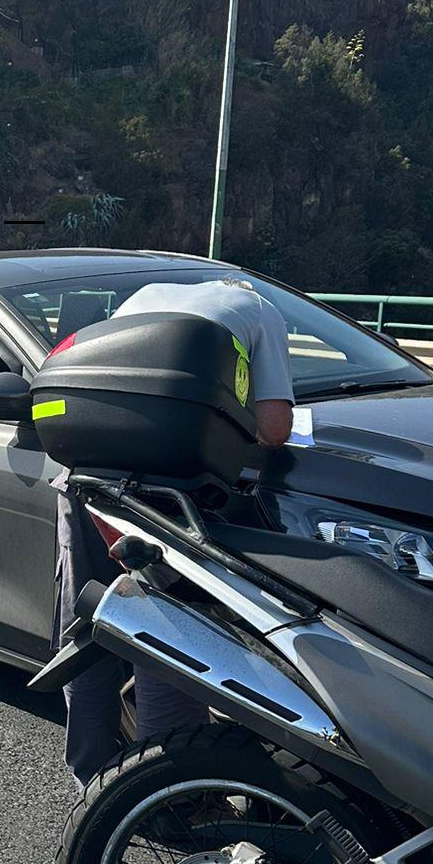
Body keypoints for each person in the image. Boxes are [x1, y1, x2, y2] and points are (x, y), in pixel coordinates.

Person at [54, 277, 294, 783]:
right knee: (166, 635)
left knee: (90, 624)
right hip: (157, 490)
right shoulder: (259, 308)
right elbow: (274, 431)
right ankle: (173, 790)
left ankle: (91, 780)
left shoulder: (146, 299)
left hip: (85, 476)